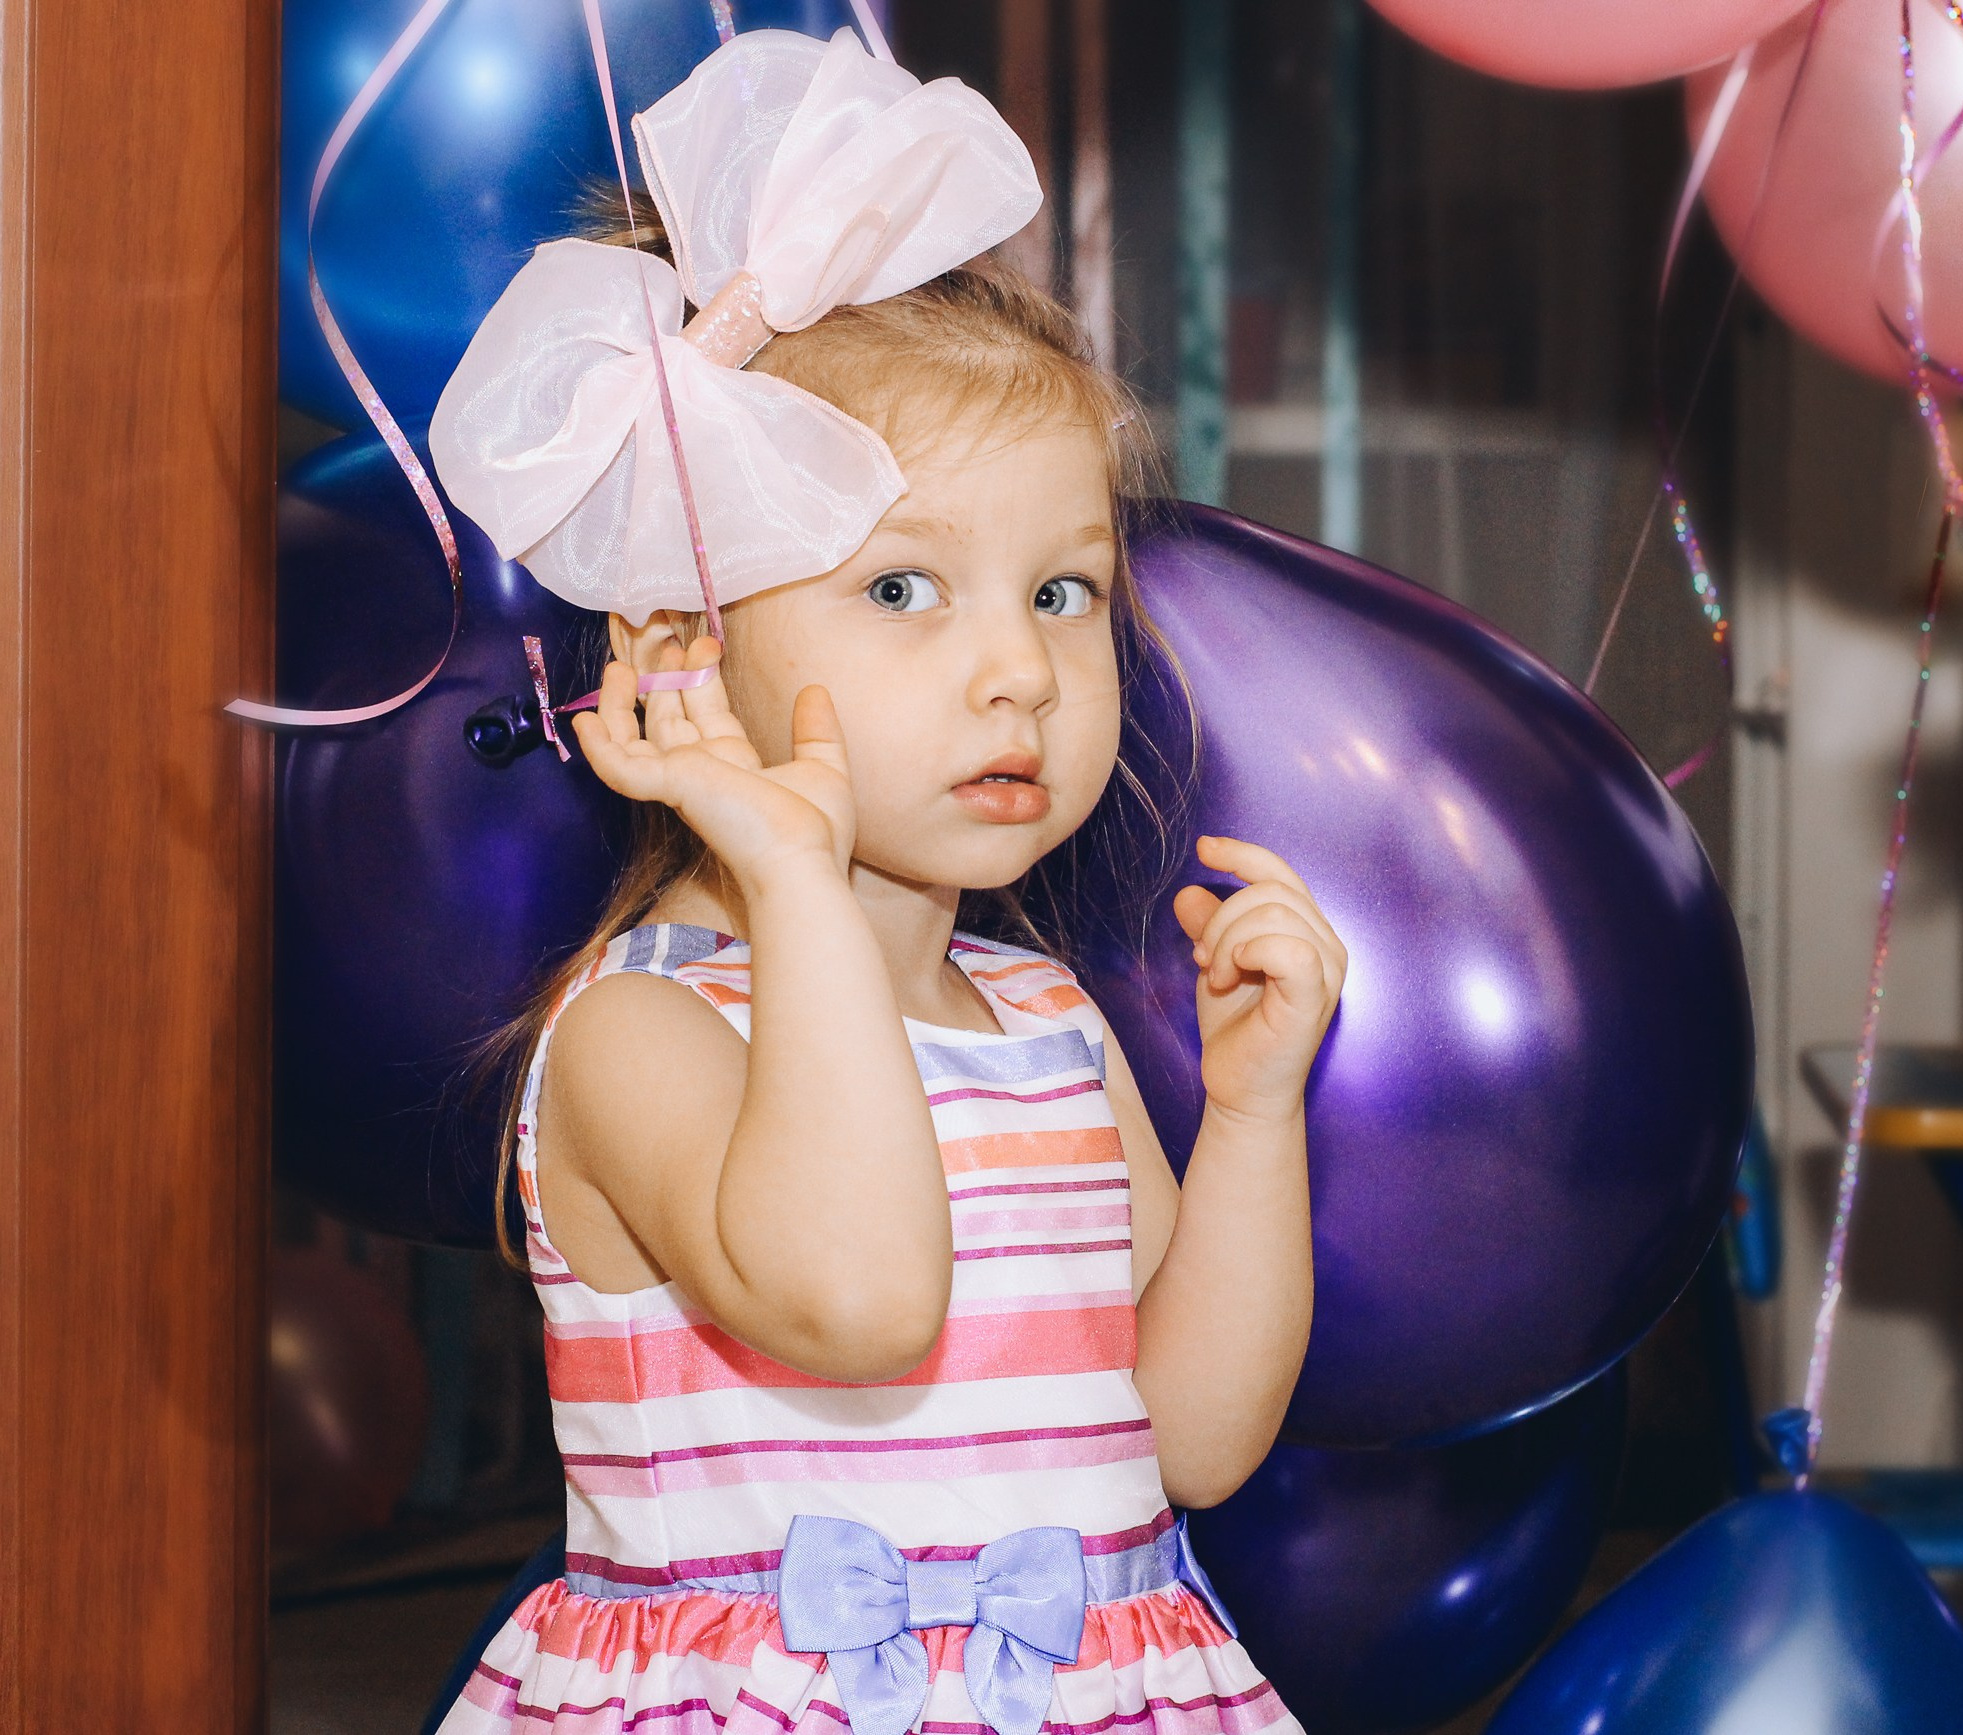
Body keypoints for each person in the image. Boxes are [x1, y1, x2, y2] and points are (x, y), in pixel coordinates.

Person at [425, 23, 1344, 1735]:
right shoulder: (641, 1037)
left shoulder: (1044, 1018)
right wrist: (785, 867)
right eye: (908, 593)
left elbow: (1196, 1437)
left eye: (1063, 594)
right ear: (682, 646)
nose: (1020, 673)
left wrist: (1257, 1113)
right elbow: (856, 1301)